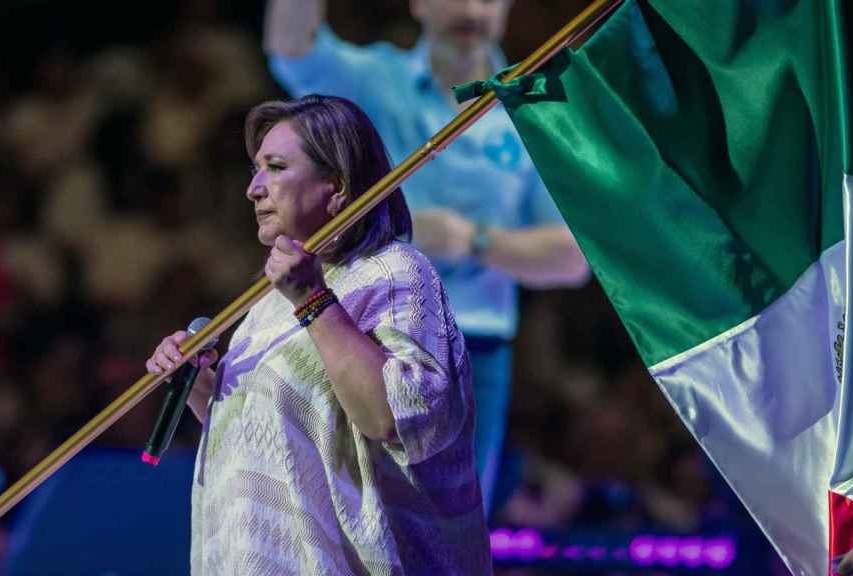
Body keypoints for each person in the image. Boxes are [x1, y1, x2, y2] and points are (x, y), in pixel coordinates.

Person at [264, 0, 589, 513]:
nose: (471, 10)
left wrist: (474, 240)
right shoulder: (374, 80)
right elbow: (290, 49)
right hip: (354, 332)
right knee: (331, 525)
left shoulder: (529, 106)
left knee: (445, 535)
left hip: (472, 351)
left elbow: (573, 259)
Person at [145, 95, 491, 575]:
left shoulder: (393, 273)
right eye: (255, 169)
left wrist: (313, 301)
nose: (254, 188)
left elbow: (396, 420)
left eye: (276, 167)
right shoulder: (265, 306)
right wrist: (200, 387)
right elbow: (267, 442)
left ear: (337, 184)